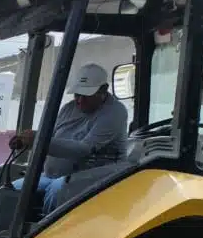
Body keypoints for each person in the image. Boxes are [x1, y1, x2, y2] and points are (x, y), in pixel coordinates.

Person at [11, 62, 128, 216]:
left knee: (59, 190)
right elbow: (50, 137)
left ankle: (44, 234)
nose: (79, 100)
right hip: (52, 175)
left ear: (103, 90)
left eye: (86, 96)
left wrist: (39, 140)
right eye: (77, 94)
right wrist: (29, 138)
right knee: (12, 191)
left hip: (97, 175)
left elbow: (84, 149)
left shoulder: (114, 113)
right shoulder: (68, 109)